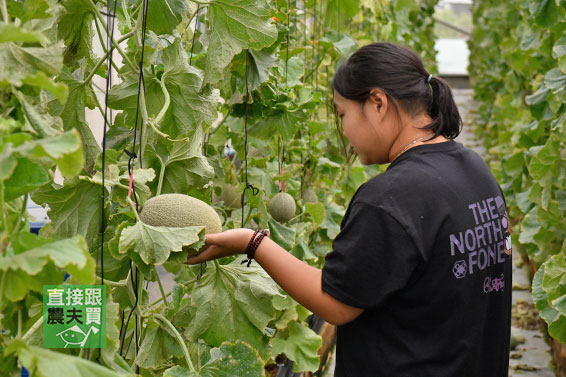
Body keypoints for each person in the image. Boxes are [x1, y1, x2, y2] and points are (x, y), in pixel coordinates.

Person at [186, 42, 512, 377]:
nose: (343, 130)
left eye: (343, 114)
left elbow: (336, 304)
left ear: (378, 103)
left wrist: (252, 243)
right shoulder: (476, 170)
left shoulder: (389, 198)